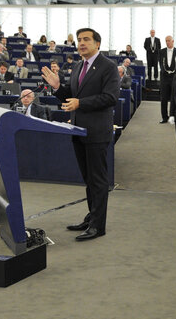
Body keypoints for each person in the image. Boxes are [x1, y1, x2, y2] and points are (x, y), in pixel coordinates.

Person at [41, 28, 119, 242]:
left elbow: (110, 97)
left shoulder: (108, 67)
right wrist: (58, 88)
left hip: (96, 132)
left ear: (97, 44)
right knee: (88, 180)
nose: (81, 43)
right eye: (79, 40)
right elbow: (72, 97)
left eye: (86, 40)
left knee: (98, 180)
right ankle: (91, 217)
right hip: (78, 130)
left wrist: (80, 103)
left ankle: (98, 226)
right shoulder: (78, 66)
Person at [159, 35, 176, 124]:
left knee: (175, 97)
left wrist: (175, 72)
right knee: (163, 98)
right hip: (164, 77)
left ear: (173, 41)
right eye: (166, 41)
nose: (167, 42)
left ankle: (174, 116)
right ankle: (164, 117)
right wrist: (165, 71)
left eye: (169, 40)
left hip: (175, 77)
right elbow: (160, 63)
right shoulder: (161, 51)